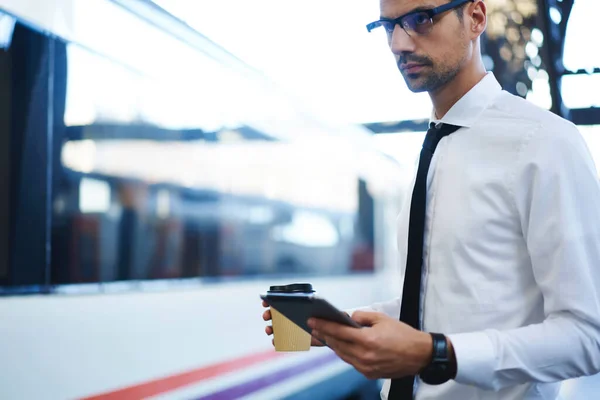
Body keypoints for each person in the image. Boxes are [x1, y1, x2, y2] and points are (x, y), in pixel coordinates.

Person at [262, 0, 600, 398]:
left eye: (420, 18)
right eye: (387, 27)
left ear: (475, 18)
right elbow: (443, 298)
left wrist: (434, 353)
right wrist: (347, 326)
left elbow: (588, 337)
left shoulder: (545, 142)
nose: (398, 44)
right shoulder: (434, 149)